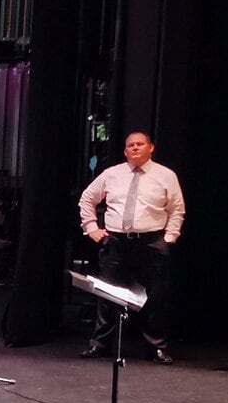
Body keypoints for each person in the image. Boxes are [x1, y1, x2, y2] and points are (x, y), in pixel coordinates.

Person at [78, 130, 186, 364]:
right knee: (108, 294)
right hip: (116, 241)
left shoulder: (165, 175)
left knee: (155, 297)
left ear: (151, 148)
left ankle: (156, 346)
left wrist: (170, 237)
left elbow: (176, 208)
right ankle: (100, 344)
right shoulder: (111, 174)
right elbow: (87, 198)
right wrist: (91, 228)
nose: (135, 147)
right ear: (125, 150)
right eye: (130, 145)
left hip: (152, 242)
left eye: (140, 144)